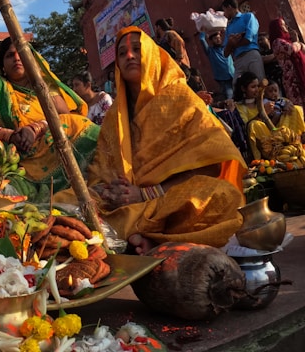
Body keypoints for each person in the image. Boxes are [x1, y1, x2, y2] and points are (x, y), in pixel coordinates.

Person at [60, 27, 246, 254]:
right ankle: (145, 236)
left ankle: (139, 235)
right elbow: (102, 169)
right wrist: (113, 190)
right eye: (122, 53)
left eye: (137, 50)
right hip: (123, 200)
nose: (129, 56)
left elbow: (212, 164)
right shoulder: (114, 116)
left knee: (220, 196)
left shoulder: (180, 96)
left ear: (151, 53)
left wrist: (145, 194)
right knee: (65, 200)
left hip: (167, 197)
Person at [0, 38, 99, 193]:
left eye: (21, 54)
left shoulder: (43, 85)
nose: (17, 59)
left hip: (52, 147)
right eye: (10, 55)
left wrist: (35, 129)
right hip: (15, 154)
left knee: (79, 123)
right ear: (2, 65)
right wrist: (9, 135)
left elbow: (64, 116)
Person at [230, 72, 305, 161]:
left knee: (295, 109)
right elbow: (246, 128)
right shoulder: (239, 107)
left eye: (258, 86)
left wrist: (286, 106)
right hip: (265, 138)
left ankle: (294, 146)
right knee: (254, 124)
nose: (257, 89)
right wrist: (262, 114)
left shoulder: (267, 100)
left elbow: (283, 105)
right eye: (253, 87)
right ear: (243, 89)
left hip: (278, 132)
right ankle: (273, 155)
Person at [222, 0, 264, 88]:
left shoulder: (248, 17)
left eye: (224, 10)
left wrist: (233, 44)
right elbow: (225, 53)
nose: (224, 14)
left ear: (229, 7)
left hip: (251, 55)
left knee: (260, 84)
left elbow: (248, 39)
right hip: (238, 60)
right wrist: (231, 43)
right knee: (237, 87)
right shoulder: (229, 27)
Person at [269, 17, 305, 106]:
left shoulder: (287, 41)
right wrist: (298, 44)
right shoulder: (277, 42)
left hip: (299, 73)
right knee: (299, 104)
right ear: (278, 28)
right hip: (292, 78)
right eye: (283, 25)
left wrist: (296, 42)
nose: (286, 27)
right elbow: (292, 49)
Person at [198, 29, 234, 100]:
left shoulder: (225, 48)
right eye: (215, 39)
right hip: (223, 78)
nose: (218, 40)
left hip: (232, 74)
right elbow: (202, 39)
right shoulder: (210, 51)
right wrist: (203, 29)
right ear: (211, 41)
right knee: (229, 95)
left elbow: (229, 36)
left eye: (219, 38)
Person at [258, 32, 284, 97]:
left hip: (282, 77)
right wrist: (276, 55)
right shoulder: (259, 53)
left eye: (262, 39)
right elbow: (263, 60)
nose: (260, 42)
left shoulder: (274, 48)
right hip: (272, 81)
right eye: (258, 41)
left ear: (268, 39)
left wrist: (272, 57)